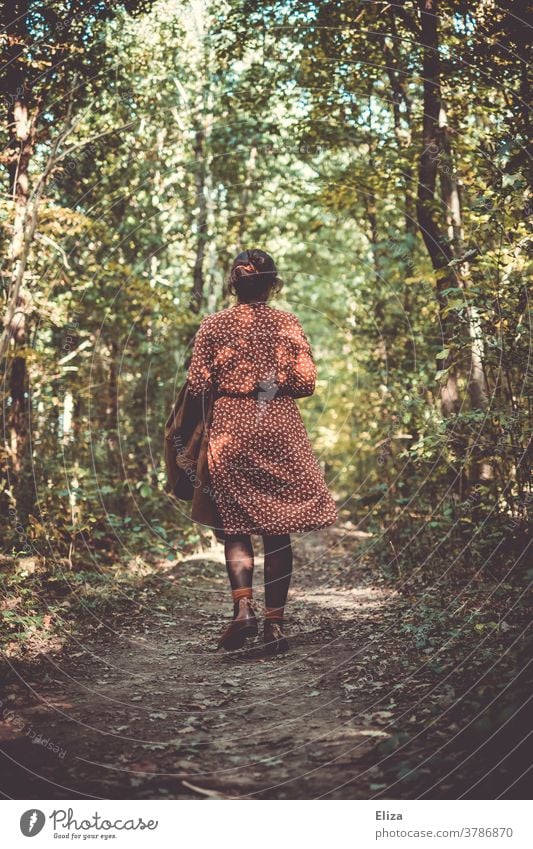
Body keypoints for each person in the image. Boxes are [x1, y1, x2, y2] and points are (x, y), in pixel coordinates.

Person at [186, 248, 337, 654]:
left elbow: (198, 386)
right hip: (277, 424)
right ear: (272, 283)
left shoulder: (213, 325)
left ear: (235, 283)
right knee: (276, 526)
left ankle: (242, 611)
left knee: (234, 525)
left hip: (231, 427)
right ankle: (274, 626)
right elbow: (305, 383)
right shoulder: (287, 322)